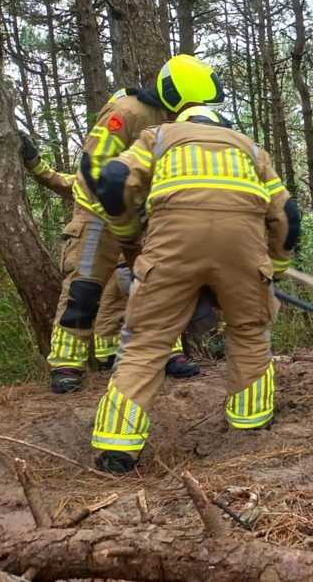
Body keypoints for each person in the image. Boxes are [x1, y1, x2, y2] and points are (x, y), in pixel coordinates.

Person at [89, 107, 300, 474]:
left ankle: (115, 446)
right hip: (243, 249)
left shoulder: (158, 137)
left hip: (172, 245)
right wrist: (274, 269)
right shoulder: (250, 149)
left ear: (184, 122)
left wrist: (128, 235)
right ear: (224, 128)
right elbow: (288, 216)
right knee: (249, 333)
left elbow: (112, 180)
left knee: (147, 341)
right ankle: (250, 428)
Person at [44, 55, 223, 394]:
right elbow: (93, 164)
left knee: (156, 286)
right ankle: (66, 363)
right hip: (98, 213)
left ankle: (165, 354)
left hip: (144, 217)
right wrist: (116, 206)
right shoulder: (126, 113)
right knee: (84, 288)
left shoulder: (181, 126)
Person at [20, 135, 194, 375]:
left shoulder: (140, 183)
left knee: (150, 292)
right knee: (90, 299)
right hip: (94, 251)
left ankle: (168, 354)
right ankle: (95, 359)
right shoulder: (88, 182)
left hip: (129, 254)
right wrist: (32, 161)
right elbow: (55, 179)